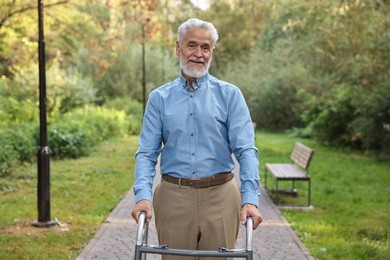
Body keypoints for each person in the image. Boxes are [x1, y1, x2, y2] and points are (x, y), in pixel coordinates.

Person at [131, 18, 262, 259]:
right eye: (192, 45)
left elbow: (246, 150)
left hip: (222, 195)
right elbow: (146, 153)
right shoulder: (159, 98)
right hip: (173, 196)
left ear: (212, 51)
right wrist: (142, 197)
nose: (198, 54)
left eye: (205, 47)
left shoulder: (230, 95)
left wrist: (250, 199)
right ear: (178, 48)